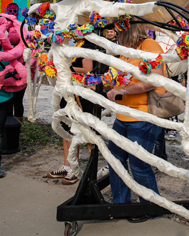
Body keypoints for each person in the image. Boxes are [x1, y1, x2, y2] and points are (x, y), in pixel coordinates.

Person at [106, 24, 165, 222]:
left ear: (128, 31)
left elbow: (156, 79)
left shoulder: (149, 45)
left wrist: (123, 91)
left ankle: (152, 207)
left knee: (139, 164)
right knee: (115, 160)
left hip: (143, 117)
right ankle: (122, 205)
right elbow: (120, 79)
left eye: (119, 33)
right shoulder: (127, 51)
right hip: (123, 117)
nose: (116, 37)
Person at [47, 39, 97, 185]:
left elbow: (88, 69)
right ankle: (66, 166)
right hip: (66, 89)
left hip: (79, 92)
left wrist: (65, 69)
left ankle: (74, 169)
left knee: (76, 129)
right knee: (66, 128)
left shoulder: (87, 46)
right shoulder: (66, 45)